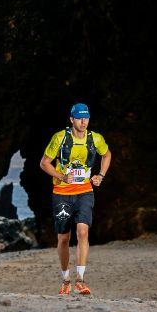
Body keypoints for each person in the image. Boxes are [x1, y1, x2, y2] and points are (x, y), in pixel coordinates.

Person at [40, 102, 112, 295]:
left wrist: (101, 175)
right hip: (62, 193)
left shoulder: (95, 139)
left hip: (84, 192)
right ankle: (65, 280)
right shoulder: (60, 138)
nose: (83, 121)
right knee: (64, 238)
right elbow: (44, 163)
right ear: (71, 119)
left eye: (86, 117)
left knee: (82, 232)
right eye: (79, 118)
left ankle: (80, 280)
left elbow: (107, 155)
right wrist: (62, 176)